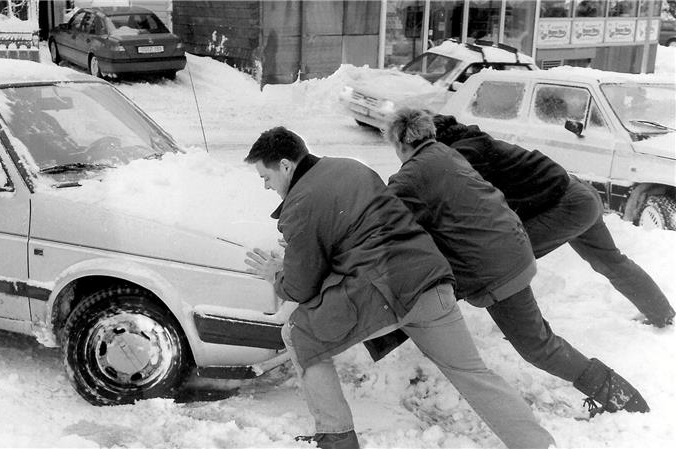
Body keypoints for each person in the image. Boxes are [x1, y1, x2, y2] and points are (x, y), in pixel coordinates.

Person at [243, 126, 555, 449]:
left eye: (266, 177)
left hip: (382, 294)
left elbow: (300, 287)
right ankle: (538, 444)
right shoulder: (351, 166)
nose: (266, 186)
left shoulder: (299, 204)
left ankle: (336, 438)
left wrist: (277, 273)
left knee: (297, 334)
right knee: (473, 373)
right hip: (431, 282)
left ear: (285, 165)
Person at [383, 108, 650, 418]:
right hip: (514, 248)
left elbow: (383, 215)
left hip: (494, 269)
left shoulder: (415, 172)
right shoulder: (449, 153)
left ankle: (621, 397)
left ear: (401, 143)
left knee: (537, 346)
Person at [432, 113, 675, 328]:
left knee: (509, 260)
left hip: (567, 205)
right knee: (612, 261)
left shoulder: (461, 155)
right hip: (580, 194)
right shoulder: (473, 142)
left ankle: (527, 331)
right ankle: (661, 314)